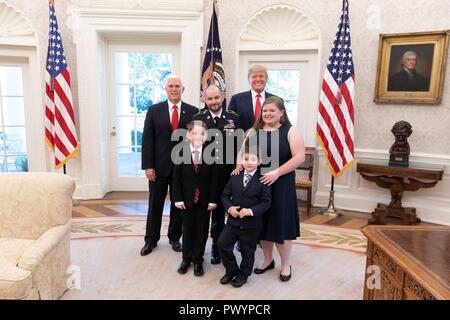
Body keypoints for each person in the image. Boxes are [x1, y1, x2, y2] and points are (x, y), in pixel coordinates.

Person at [234, 96, 305, 282]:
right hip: (257, 184)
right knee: (262, 224)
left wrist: (277, 172)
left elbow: (299, 158)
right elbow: (242, 154)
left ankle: (286, 264)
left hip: (281, 184)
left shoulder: (290, 131)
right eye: (265, 110)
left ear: (281, 113)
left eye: (272, 110)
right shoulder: (253, 131)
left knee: (280, 224)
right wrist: (239, 167)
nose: (267, 113)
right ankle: (267, 260)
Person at [140, 75, 198, 256]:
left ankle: (174, 237)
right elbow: (147, 140)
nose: (174, 89)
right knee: (155, 203)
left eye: (177, 86)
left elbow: (197, 139)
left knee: (178, 204)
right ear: (166, 89)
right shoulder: (154, 110)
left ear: (183, 89)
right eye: (171, 86)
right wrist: (148, 166)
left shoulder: (193, 111)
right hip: (158, 167)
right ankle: (151, 240)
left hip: (183, 167)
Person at [193, 85, 243, 264]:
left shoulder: (234, 118)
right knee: (204, 211)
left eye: (216, 98)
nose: (213, 102)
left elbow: (241, 145)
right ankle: (198, 247)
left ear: (222, 97)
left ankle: (217, 245)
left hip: (227, 174)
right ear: (204, 99)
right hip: (204, 175)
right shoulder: (198, 118)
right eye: (209, 99)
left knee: (221, 211)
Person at [218, 148, 271, 288]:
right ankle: (231, 270)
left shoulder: (263, 179)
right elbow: (224, 195)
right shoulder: (235, 176)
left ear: (259, 162)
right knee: (222, 243)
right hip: (233, 221)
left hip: (251, 224)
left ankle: (243, 274)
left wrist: (251, 211)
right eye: (246, 159)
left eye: (253, 160)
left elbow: (266, 203)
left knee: (248, 251)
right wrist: (230, 208)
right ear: (242, 161)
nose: (249, 162)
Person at [172, 121, 218, 276]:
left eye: (202, 133)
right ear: (187, 135)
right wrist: (177, 199)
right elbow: (176, 179)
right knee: (187, 229)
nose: (198, 136)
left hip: (205, 201)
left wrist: (213, 200)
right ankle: (186, 258)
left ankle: (198, 260)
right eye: (194, 133)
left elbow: (214, 180)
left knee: (202, 230)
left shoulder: (211, 154)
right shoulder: (180, 152)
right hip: (186, 200)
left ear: (206, 136)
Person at [228, 65, 277, 132]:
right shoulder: (236, 99)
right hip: (243, 140)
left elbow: (282, 124)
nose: (258, 79)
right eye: (254, 77)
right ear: (249, 80)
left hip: (271, 140)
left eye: (261, 76)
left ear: (266, 79)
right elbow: (229, 124)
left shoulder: (276, 100)